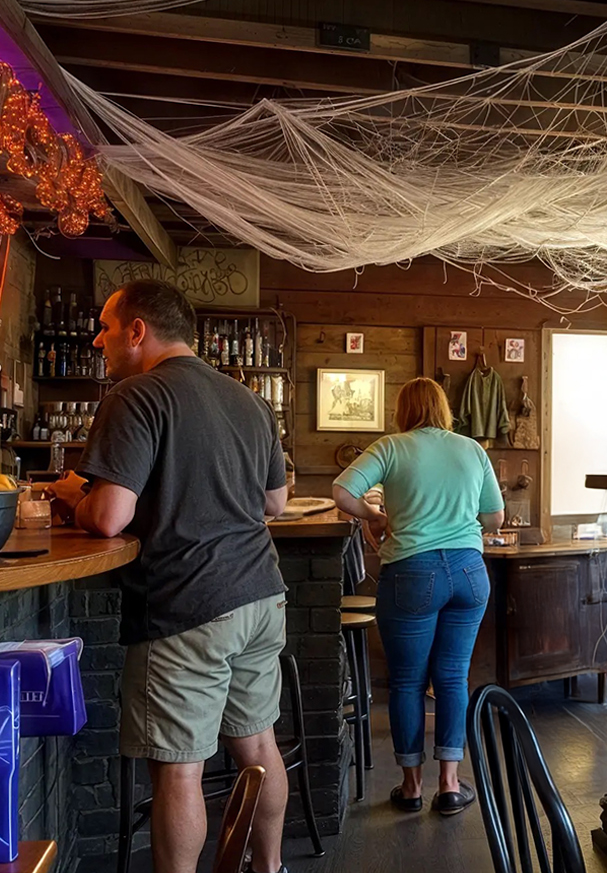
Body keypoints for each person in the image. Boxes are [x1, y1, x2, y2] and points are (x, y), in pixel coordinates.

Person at [49, 280, 290, 873]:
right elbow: (276, 502)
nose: (98, 339)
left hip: (188, 604)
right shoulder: (249, 400)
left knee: (180, 768)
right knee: (259, 746)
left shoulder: (137, 396)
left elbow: (108, 517)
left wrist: (66, 497)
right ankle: (271, 868)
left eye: (106, 327)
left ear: (138, 330)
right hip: (261, 594)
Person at [330, 377, 502, 815]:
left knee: (407, 681)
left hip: (412, 573)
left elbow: (342, 492)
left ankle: (411, 789)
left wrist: (376, 515)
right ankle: (449, 785)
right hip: (469, 572)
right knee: (452, 678)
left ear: (402, 410)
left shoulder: (391, 447)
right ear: (444, 409)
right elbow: (495, 517)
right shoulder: (471, 449)